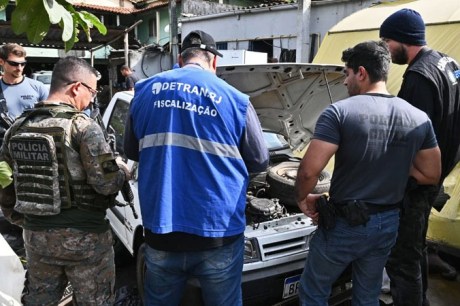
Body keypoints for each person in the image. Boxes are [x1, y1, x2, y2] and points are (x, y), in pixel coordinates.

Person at [124, 30, 269, 305]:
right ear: (213, 61)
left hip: (161, 229)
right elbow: (260, 161)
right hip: (217, 231)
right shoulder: (236, 99)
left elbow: (132, 151)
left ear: (180, 59)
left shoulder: (144, 91)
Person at [294, 40, 441, 306]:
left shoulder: (339, 112)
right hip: (387, 223)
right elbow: (431, 174)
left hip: (344, 224)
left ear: (361, 72)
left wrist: (303, 199)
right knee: (368, 294)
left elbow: (308, 172)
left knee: (314, 290)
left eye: (346, 73)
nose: (344, 81)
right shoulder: (418, 118)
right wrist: (396, 160)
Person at [0, 56, 130, 305]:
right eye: (92, 91)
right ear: (76, 87)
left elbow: (5, 182)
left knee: (39, 299)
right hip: (86, 241)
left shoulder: (17, 128)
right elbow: (106, 183)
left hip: (36, 238)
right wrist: (122, 170)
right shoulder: (83, 127)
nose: (92, 98)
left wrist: (25, 220)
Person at [380, 8, 460, 306]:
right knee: (415, 250)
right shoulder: (450, 63)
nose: (385, 49)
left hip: (416, 185)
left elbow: (408, 139)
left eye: (386, 40)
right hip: (435, 176)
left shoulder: (418, 77)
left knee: (403, 260)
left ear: (403, 39)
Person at [0, 43, 49, 144]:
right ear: (1, 62)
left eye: (23, 64)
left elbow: (50, 118)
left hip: (30, 145)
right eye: (14, 64)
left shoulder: (38, 87)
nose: (19, 68)